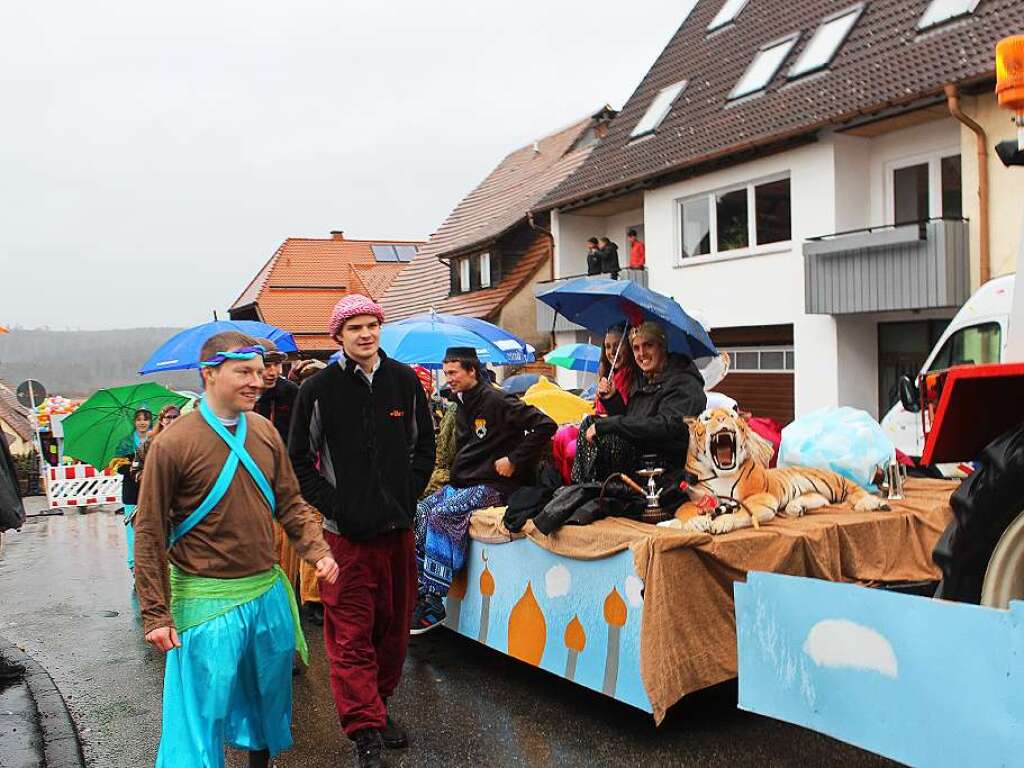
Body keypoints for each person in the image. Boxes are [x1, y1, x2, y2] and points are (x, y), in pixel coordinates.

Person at [133, 332, 339, 768]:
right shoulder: (172, 444)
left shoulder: (263, 432)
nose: (257, 381)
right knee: (202, 714)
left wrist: (315, 549)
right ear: (210, 374)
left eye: (259, 371)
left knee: (268, 697)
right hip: (206, 604)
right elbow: (150, 532)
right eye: (243, 372)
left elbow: (289, 501)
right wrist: (155, 612)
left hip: (266, 593)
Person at [289, 294, 435, 768]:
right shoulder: (319, 390)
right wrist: (339, 508)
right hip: (345, 540)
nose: (366, 334)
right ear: (339, 336)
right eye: (355, 327)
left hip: (397, 533)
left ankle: (380, 706)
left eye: (372, 324)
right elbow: (299, 461)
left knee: (392, 632)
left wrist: (406, 498)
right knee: (350, 636)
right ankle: (364, 729)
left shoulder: (404, 382)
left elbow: (424, 449)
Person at [411, 346, 557, 635]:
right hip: (465, 481)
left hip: (496, 486)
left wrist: (515, 460)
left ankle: (434, 603)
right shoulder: (461, 403)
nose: (447, 378)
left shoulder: (498, 399)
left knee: (442, 515)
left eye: (453, 373)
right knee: (421, 511)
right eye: (446, 372)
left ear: (471, 371)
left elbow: (545, 425)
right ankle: (418, 592)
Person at [573, 321, 707, 481]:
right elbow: (632, 419)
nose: (641, 353)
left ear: (662, 346)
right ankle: (584, 487)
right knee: (590, 422)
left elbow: (666, 427)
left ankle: (590, 489)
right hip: (640, 450)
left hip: (664, 460)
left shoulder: (684, 383)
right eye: (636, 348)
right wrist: (612, 398)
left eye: (648, 345)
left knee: (606, 435)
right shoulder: (644, 380)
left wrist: (611, 424)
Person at [113, 407, 152, 573]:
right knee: (132, 531)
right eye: (138, 419)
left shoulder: (156, 440)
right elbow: (118, 467)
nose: (142, 422)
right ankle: (134, 564)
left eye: (145, 419)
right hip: (131, 494)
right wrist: (135, 469)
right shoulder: (125, 442)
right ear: (134, 422)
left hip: (151, 492)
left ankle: (152, 564)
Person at [254, 339, 298, 444]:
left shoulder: (291, 392)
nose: (273, 372)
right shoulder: (241, 393)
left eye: (277, 364)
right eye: (267, 365)